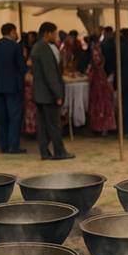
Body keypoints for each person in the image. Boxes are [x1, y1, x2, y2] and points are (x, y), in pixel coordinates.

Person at [31, 21, 73, 160]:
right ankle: (59, 151)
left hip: (40, 94)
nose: (56, 36)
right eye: (54, 33)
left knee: (43, 125)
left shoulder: (38, 47)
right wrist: (58, 94)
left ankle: (45, 152)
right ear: (47, 33)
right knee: (54, 124)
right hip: (47, 94)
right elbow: (50, 74)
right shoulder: (44, 49)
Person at [0, 23, 28, 154]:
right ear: (12, 32)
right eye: (15, 32)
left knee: (2, 117)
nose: (16, 35)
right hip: (13, 86)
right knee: (14, 117)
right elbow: (21, 67)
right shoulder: (16, 47)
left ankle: (3, 145)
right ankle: (13, 146)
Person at [85, 35, 116, 135]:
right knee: (101, 101)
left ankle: (102, 127)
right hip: (100, 78)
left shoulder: (96, 51)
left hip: (98, 79)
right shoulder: (98, 50)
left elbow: (97, 64)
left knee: (100, 101)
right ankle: (102, 127)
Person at [21, 32, 38, 136]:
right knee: (30, 106)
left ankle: (30, 128)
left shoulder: (31, 49)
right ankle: (31, 128)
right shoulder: (31, 49)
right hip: (30, 80)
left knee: (30, 106)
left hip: (29, 80)